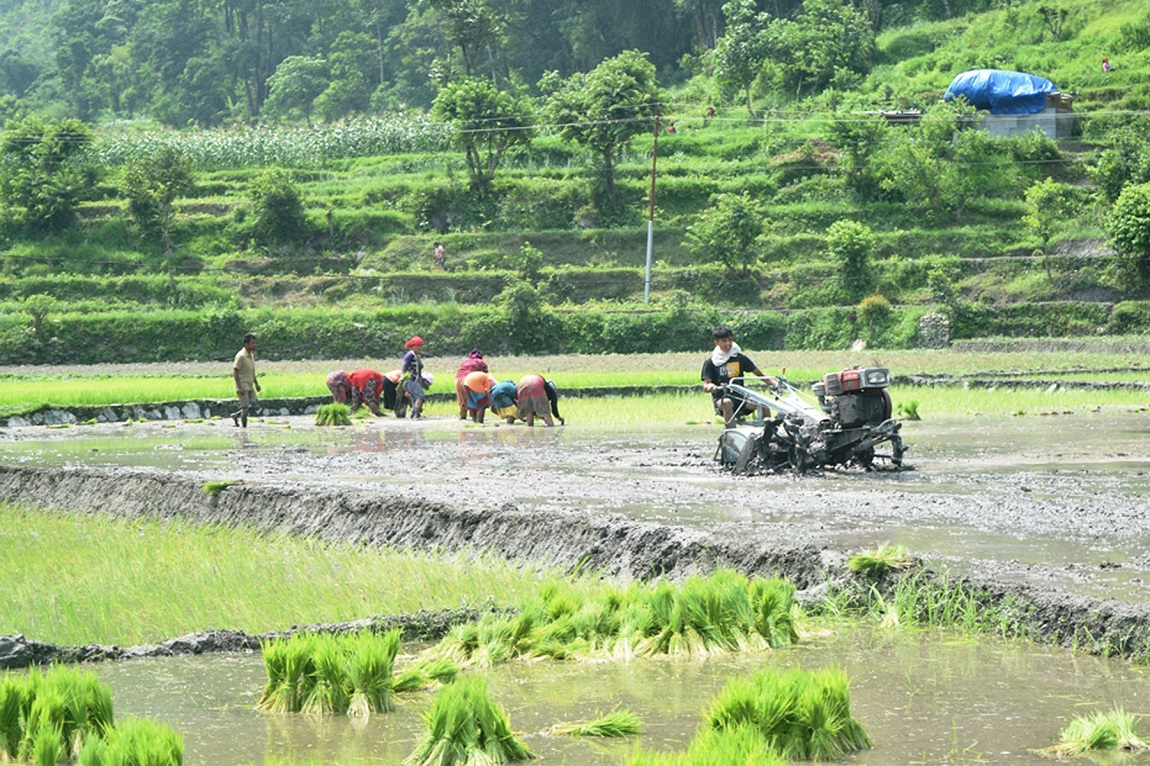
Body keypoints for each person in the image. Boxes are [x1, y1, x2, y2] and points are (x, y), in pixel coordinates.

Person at [701, 325, 777, 428]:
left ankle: (769, 432)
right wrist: (710, 387)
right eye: (724, 341)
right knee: (727, 402)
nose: (728, 343)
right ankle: (731, 431)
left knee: (762, 405)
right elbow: (706, 385)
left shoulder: (740, 358)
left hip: (741, 398)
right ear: (717, 343)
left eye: (730, 340)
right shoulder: (711, 362)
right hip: (722, 399)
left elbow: (760, 375)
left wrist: (775, 383)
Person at [230, 332, 260, 428]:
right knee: (245, 408)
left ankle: (236, 415)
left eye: (255, 343)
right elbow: (235, 371)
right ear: (246, 344)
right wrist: (239, 387)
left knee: (254, 403)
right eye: (252, 343)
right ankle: (244, 429)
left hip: (250, 385)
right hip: (243, 385)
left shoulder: (251, 355)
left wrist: (256, 384)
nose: (254, 345)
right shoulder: (241, 356)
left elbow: (252, 371)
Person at [454, 349, 489, 420]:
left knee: (462, 399)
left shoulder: (465, 362)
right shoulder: (481, 362)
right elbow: (486, 376)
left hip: (457, 380)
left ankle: (463, 417)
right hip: (469, 379)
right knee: (478, 400)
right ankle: (477, 419)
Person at [401, 336, 427, 419]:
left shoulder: (416, 356)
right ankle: (416, 414)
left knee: (414, 398)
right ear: (412, 346)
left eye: (421, 346)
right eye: (417, 346)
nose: (420, 348)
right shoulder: (410, 355)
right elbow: (404, 366)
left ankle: (413, 414)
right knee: (420, 396)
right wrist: (402, 377)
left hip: (416, 380)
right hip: (411, 380)